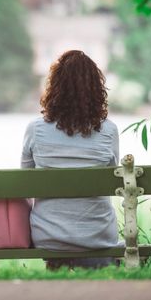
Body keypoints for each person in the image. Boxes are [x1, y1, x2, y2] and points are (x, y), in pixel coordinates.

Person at [21, 50, 119, 269]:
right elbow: (113, 180)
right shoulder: (109, 131)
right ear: (96, 89)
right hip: (97, 236)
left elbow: (25, 185)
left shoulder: (35, 129)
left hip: (49, 235)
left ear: (54, 87)